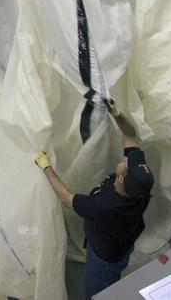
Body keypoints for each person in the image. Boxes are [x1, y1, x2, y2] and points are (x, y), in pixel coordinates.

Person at [35, 101, 154, 297]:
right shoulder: (139, 188)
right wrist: (117, 114)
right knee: (117, 263)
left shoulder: (103, 207)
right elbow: (130, 136)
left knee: (99, 291)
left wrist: (46, 167)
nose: (126, 159)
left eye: (126, 163)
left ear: (122, 178)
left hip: (104, 258)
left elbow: (66, 198)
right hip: (122, 242)